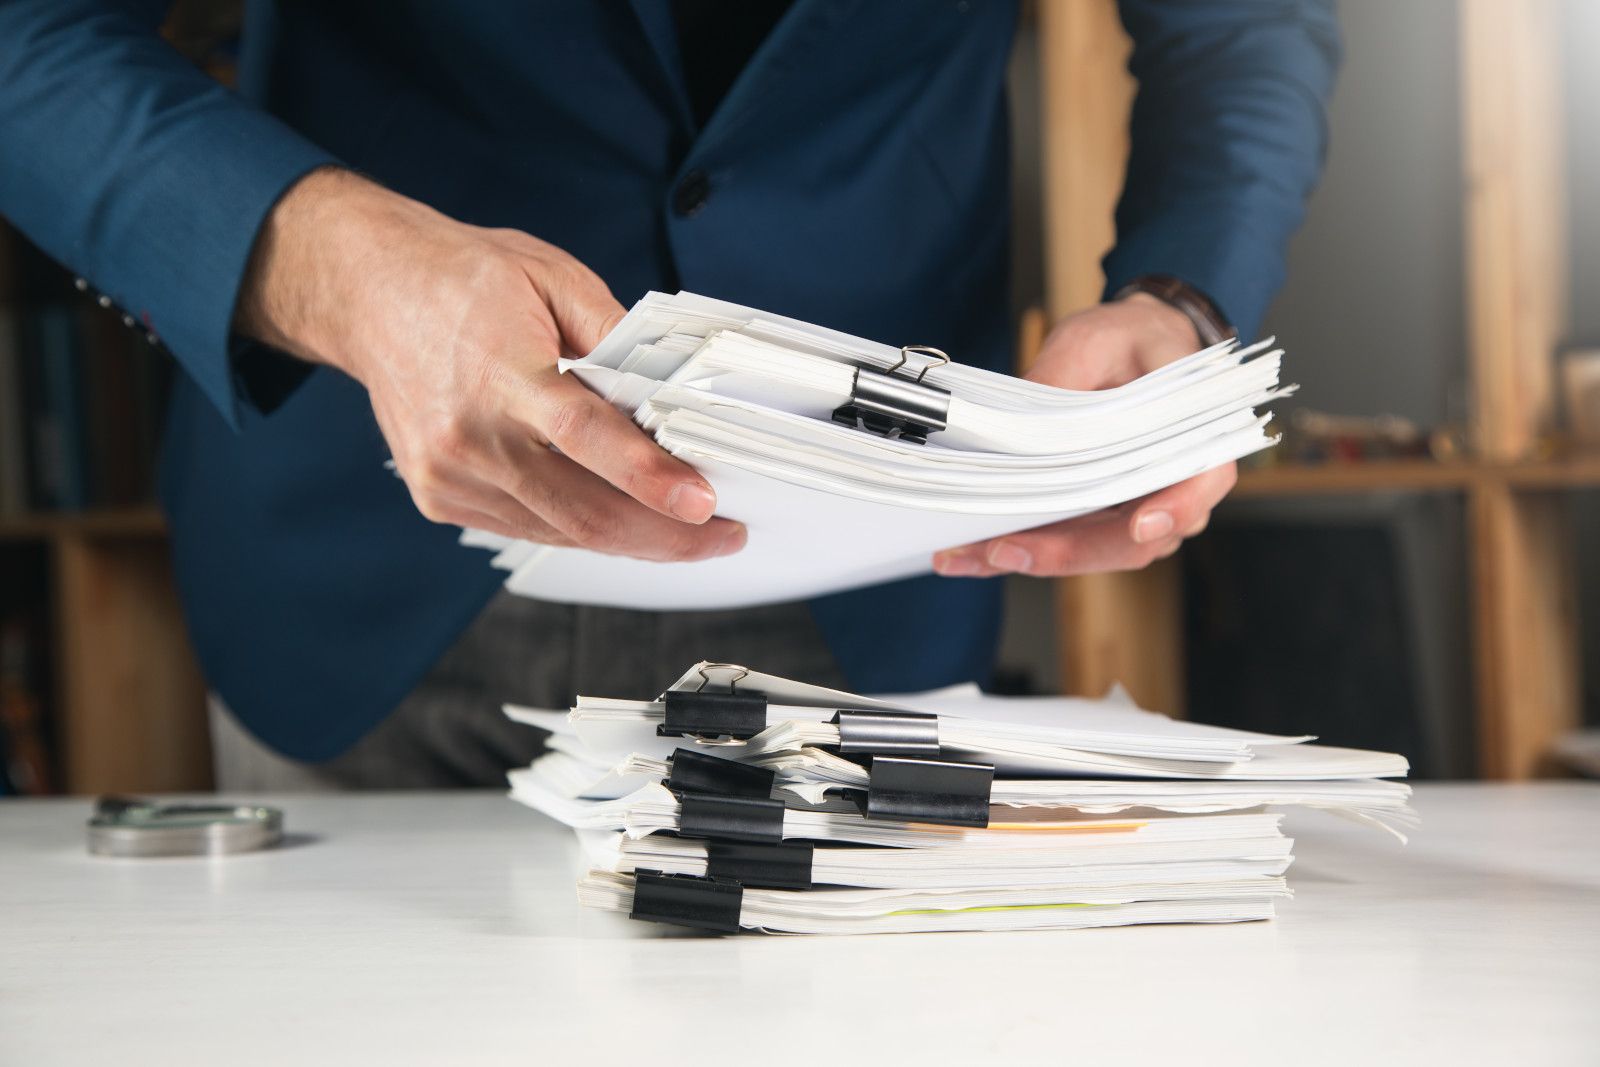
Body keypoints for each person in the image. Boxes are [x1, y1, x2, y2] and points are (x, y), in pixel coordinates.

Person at [0, 1, 1338, 788]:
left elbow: (1244, 29)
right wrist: (333, 264)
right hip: (353, 563)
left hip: (876, 583)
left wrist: (1186, 298)